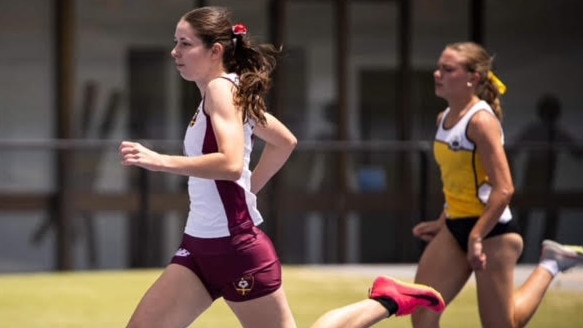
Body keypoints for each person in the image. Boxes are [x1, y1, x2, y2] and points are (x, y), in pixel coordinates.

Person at [120, 6, 445, 328]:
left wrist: (161, 161)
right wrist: (249, 190)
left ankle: (386, 300)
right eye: (175, 42)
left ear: (215, 50)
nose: (174, 51)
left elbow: (232, 164)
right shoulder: (223, 92)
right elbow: (284, 141)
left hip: (237, 251)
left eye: (185, 43)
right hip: (198, 247)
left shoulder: (222, 89)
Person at [410, 41, 583, 328]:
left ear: (473, 78)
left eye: (447, 69)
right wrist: (443, 219)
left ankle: (551, 263)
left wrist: (477, 237)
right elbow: (460, 180)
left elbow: (504, 189)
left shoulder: (481, 122)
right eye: (438, 67)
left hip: (493, 231)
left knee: (503, 325)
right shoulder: (443, 119)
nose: (437, 74)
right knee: (422, 315)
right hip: (456, 226)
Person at [512, 94, 583, 247]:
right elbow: (513, 150)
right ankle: (519, 250)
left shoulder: (558, 133)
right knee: (524, 216)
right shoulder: (533, 131)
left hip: (551, 181)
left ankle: (546, 250)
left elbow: (576, 152)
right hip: (531, 179)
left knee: (551, 217)